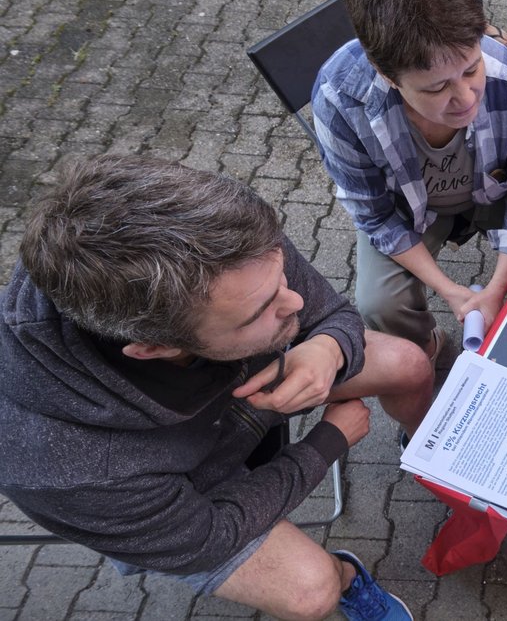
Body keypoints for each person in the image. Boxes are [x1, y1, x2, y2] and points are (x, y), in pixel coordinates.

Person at [0, 156, 432, 621]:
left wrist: (329, 348)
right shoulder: (71, 471)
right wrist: (327, 443)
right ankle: (346, 578)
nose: (296, 302)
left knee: (408, 362)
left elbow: (328, 313)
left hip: (233, 393)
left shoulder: (222, 240)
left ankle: (427, 456)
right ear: (153, 348)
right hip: (185, 488)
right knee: (310, 593)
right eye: (261, 311)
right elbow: (212, 536)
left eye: (281, 275)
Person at [313, 0, 507, 361]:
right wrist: (451, 291)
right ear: (385, 73)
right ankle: (428, 357)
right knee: (379, 305)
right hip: (407, 210)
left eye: (471, 68)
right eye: (436, 87)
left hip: (499, 195)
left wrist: (495, 290)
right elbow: (375, 215)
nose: (465, 98)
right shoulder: (338, 100)